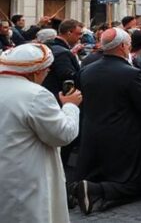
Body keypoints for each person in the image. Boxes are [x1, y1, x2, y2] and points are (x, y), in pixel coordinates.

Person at [74, 28, 141, 215]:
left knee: (99, 172)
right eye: (129, 44)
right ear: (123, 46)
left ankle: (80, 189)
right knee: (137, 184)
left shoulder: (86, 70)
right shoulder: (131, 73)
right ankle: (95, 191)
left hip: (92, 131)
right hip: (124, 134)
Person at [0, 44, 82, 223]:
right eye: (46, 70)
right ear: (36, 72)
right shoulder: (35, 94)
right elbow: (63, 134)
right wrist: (70, 106)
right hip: (25, 175)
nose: (47, 73)